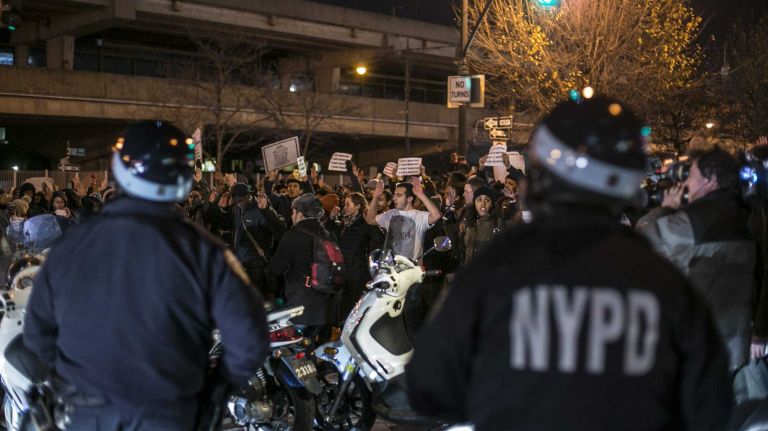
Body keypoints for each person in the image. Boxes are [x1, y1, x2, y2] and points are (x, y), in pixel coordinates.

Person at [406, 97, 732, 431]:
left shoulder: (497, 267)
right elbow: (711, 408)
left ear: (541, 174)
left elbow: (429, 386)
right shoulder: (665, 283)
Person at [23, 121, 270, 430]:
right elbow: (250, 338)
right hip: (170, 413)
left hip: (86, 414)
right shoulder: (205, 252)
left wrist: (74, 381)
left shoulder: (70, 247)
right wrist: (215, 391)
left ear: (120, 170)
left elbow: (36, 335)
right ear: (182, 178)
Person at [636, 145, 756, 371]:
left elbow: (639, 244)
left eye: (690, 175)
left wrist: (665, 209)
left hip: (700, 346)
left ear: (710, 181)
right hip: (735, 344)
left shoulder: (693, 223)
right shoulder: (742, 216)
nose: (686, 183)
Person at [269, 193, 338, 332]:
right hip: (327, 304)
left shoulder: (292, 236)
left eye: (293, 212)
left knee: (296, 346)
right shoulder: (328, 235)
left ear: (300, 214)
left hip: (300, 303)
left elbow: (275, 269)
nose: (291, 216)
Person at [365, 177, 442, 261]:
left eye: (399, 195)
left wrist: (420, 194)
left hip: (412, 270)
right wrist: (375, 196)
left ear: (409, 198)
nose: (394, 198)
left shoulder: (419, 216)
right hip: (392, 269)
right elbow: (370, 220)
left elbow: (436, 215)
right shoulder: (390, 214)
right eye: (394, 195)